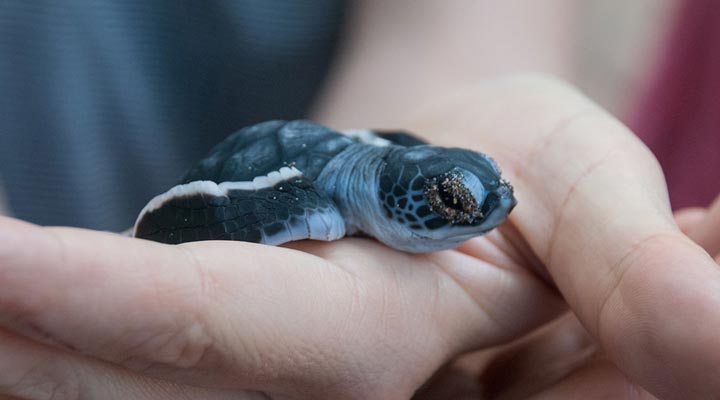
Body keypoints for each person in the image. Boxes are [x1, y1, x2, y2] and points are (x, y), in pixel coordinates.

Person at [1, 2, 719, 399]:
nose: (488, 214)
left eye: (490, 193)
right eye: (449, 200)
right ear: (395, 202)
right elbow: (167, 226)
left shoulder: (397, 156)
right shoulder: (313, 201)